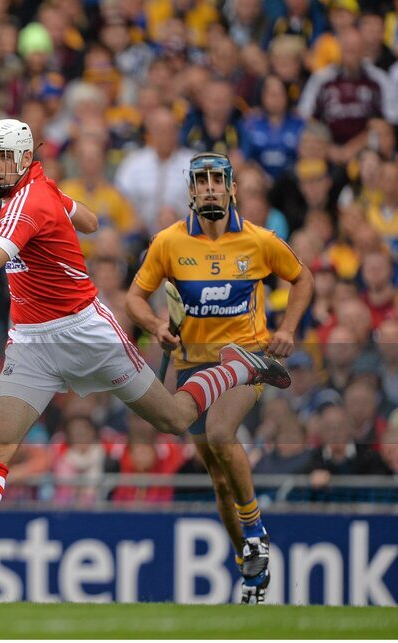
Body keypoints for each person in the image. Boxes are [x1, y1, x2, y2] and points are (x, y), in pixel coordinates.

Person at [0, 119, 292, 586]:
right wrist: (68, 213)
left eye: (2, 157)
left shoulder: (29, 201)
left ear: (22, 159)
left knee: (176, 419)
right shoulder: (43, 190)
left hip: (87, 333)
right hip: (32, 342)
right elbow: (92, 221)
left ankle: (234, 367)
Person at [126, 152, 313, 603]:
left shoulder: (259, 240)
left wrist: (286, 329)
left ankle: (255, 532)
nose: (209, 187)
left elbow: (303, 280)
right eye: (201, 181)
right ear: (190, 190)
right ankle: (250, 568)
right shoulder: (168, 243)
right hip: (193, 364)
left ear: (231, 189)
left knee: (220, 429)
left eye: (217, 180)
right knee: (218, 479)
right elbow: (134, 296)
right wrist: (156, 327)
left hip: (246, 359)